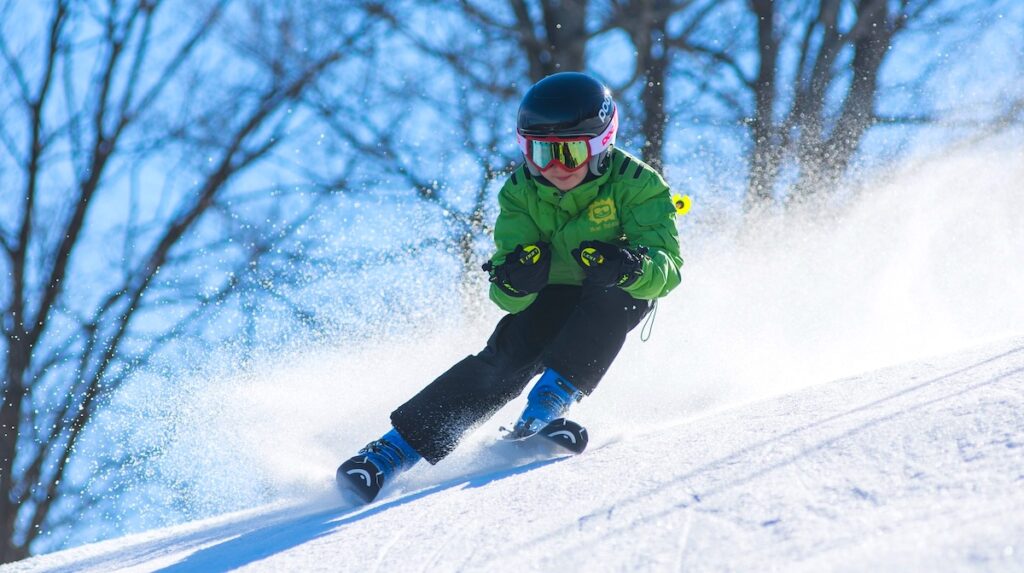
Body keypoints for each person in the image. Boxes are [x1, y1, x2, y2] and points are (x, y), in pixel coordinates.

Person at [336, 71, 683, 503]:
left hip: (610, 288)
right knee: (506, 357)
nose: (554, 168)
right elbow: (504, 291)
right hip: (552, 293)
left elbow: (668, 269)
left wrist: (630, 266)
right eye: (540, 153)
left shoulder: (638, 183)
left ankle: (545, 408)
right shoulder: (520, 190)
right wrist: (516, 279)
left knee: (620, 298)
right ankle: (390, 453)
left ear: (600, 146)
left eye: (570, 153)